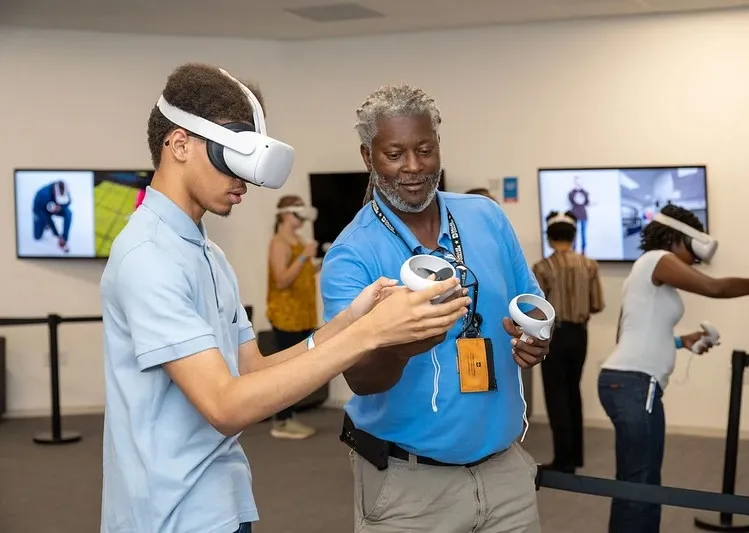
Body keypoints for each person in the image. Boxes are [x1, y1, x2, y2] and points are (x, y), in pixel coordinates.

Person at [99, 63, 471, 533]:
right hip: (168, 515)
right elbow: (225, 406)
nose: (244, 181)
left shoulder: (205, 251)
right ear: (179, 144)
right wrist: (370, 336)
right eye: (231, 157)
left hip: (219, 501)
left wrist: (351, 323)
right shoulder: (149, 256)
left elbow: (252, 371)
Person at [321, 83, 551, 533]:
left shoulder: (486, 216)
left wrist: (535, 337)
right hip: (410, 489)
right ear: (368, 157)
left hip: (506, 475)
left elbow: (532, 303)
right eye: (394, 154)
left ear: (439, 146)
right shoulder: (351, 255)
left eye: (425, 150)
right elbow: (361, 379)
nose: (413, 167)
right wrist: (403, 343)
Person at [598, 203, 749, 533]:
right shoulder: (657, 259)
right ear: (676, 238)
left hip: (628, 383)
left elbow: (628, 336)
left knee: (636, 483)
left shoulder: (643, 270)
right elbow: (714, 287)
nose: (696, 259)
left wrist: (681, 341)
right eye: (693, 249)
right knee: (641, 486)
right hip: (635, 385)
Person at [532, 210, 605, 473]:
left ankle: (563, 460)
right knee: (573, 391)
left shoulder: (542, 268)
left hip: (554, 334)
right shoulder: (589, 265)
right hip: (580, 334)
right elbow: (597, 304)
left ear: (549, 238)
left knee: (556, 394)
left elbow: (537, 308)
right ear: (574, 236)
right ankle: (575, 456)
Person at [266, 194, 321, 439]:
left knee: (299, 370)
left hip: (302, 314)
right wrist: (304, 256)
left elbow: (301, 274)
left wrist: (319, 261)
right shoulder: (279, 243)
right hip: (286, 316)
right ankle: (282, 421)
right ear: (287, 215)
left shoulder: (298, 240)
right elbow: (282, 280)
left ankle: (289, 417)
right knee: (287, 371)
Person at [32, 180, 72, 252]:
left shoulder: (64, 190)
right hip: (40, 210)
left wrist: (60, 207)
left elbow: (68, 202)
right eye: (59, 199)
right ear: (54, 191)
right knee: (37, 237)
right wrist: (57, 235)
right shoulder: (42, 195)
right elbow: (47, 218)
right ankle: (44, 225)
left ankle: (64, 238)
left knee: (68, 213)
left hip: (52, 207)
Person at [567, 176, 590, 254]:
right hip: (574, 215)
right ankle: (573, 250)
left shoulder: (585, 193)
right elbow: (570, 202)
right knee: (574, 233)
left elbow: (587, 202)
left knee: (583, 233)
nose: (579, 182)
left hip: (583, 215)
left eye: (580, 181)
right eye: (577, 181)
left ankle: (583, 250)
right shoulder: (571, 193)